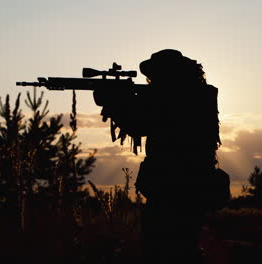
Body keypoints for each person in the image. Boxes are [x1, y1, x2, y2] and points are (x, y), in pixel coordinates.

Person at [93, 49, 221, 263]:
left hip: (171, 188)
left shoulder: (176, 98)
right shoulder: (197, 95)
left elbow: (138, 123)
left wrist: (114, 102)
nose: (151, 80)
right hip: (192, 186)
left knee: (164, 250)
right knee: (183, 247)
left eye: (157, 75)